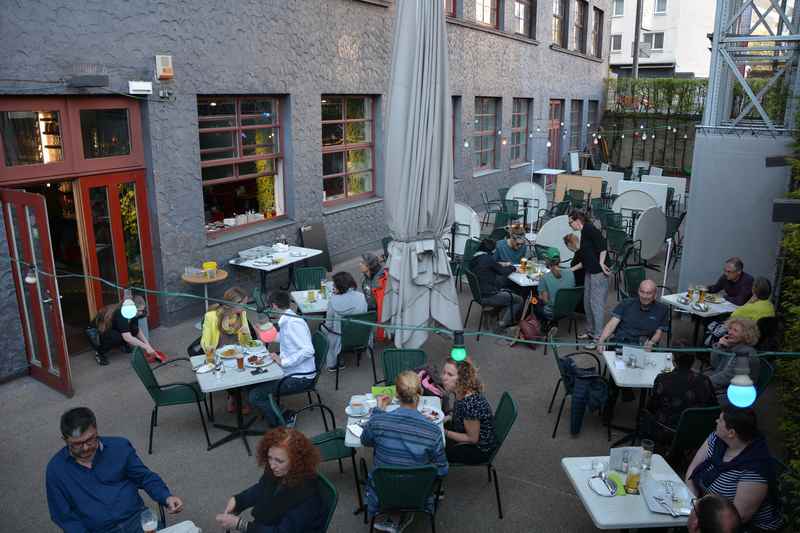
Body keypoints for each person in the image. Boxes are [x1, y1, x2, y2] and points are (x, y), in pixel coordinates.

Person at [46, 407, 184, 532]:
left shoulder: (120, 447)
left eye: (90, 440)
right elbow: (63, 516)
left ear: (96, 430)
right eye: (77, 444)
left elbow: (144, 477)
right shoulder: (55, 470)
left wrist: (166, 496)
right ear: (64, 440)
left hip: (137, 520)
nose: (85, 448)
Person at [361, 371, 448, 533]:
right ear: (420, 393)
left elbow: (365, 441)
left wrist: (378, 411)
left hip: (383, 489)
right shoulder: (433, 431)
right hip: (418, 491)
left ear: (397, 394)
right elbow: (442, 470)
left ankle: (395, 516)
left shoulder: (378, 421)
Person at [686, 407, 783, 531]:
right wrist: (693, 504)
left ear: (731, 433)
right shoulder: (716, 439)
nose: (716, 421)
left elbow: (736, 518)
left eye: (720, 421)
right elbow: (691, 471)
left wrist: (697, 512)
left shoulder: (756, 469)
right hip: (705, 512)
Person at [215, 427, 326, 533]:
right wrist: (238, 501)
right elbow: (262, 488)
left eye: (279, 461)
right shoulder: (279, 470)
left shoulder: (308, 497)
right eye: (269, 457)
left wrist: (240, 524)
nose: (272, 465)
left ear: (297, 462)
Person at [249, 290, 316, 427]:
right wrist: (262, 333)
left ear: (274, 306)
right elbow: (284, 338)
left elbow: (308, 350)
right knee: (252, 381)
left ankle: (282, 421)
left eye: (269, 307)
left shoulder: (293, 324)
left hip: (300, 378)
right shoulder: (287, 319)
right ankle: (275, 408)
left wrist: (283, 361)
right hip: (291, 371)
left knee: (255, 395)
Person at [643, 350, 718, 450]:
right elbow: (713, 405)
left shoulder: (663, 379)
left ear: (674, 361)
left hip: (667, 429)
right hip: (697, 430)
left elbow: (652, 406)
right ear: (694, 361)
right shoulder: (704, 380)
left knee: (645, 414)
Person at [201, 286, 256, 414]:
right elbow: (204, 342)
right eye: (243, 304)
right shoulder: (212, 316)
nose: (245, 307)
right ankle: (234, 397)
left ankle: (237, 397)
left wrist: (246, 334)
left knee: (247, 368)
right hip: (218, 354)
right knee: (227, 370)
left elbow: (247, 340)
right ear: (233, 304)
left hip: (238, 353)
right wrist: (209, 349)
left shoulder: (241, 314)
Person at [440, 358, 496, 465]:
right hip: (463, 431)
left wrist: (445, 432)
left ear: (461, 379)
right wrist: (446, 418)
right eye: (444, 373)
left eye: (450, 375)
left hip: (477, 450)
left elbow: (472, 439)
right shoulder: (460, 391)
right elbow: (458, 413)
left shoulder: (470, 404)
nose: (444, 378)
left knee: (433, 451)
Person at [568, 210, 610, 343]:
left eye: (570, 222)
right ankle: (591, 331)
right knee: (587, 302)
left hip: (598, 272)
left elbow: (603, 245)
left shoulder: (590, 228)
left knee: (596, 304)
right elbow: (586, 259)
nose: (570, 226)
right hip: (589, 271)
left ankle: (598, 337)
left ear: (577, 220)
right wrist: (568, 270)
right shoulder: (584, 232)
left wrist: (602, 262)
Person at [597, 279, 670, 350]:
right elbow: (611, 325)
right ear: (638, 291)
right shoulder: (626, 303)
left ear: (655, 294)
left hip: (642, 345)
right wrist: (601, 340)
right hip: (621, 342)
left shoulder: (662, 309)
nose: (644, 296)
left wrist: (651, 342)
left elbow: (659, 332)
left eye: (649, 293)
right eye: (642, 292)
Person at [469, 238, 523, 332]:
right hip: (489, 294)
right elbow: (503, 272)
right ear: (491, 251)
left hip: (478, 293)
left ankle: (492, 314)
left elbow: (489, 265)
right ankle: (501, 324)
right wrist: (513, 268)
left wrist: (498, 264)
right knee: (519, 300)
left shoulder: (475, 258)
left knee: (507, 290)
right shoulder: (488, 259)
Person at [95, 295, 163, 366]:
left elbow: (137, 330)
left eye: (142, 310)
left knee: (133, 328)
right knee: (117, 337)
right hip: (102, 332)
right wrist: (146, 347)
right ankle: (99, 353)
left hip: (117, 329)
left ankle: (123, 344)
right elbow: (127, 337)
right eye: (139, 310)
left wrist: (149, 346)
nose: (141, 313)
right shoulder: (121, 314)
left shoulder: (134, 314)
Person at [321, 271, 368, 372]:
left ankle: (334, 363)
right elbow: (364, 315)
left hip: (341, 338)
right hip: (361, 336)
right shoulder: (361, 297)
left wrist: (321, 328)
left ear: (339, 287)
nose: (333, 287)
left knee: (325, 330)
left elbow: (328, 325)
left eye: (334, 285)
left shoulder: (333, 302)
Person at [707, 318, 761, 399]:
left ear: (746, 335)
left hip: (731, 395)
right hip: (722, 387)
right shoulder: (733, 347)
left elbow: (726, 377)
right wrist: (719, 347)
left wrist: (703, 382)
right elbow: (715, 364)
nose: (730, 332)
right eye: (730, 329)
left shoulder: (746, 354)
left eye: (735, 330)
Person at [536, 248, 576, 321]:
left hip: (552, 312)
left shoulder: (544, 278)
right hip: (568, 309)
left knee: (534, 301)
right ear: (559, 260)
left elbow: (544, 300)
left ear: (547, 261)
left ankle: (546, 326)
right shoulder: (570, 273)